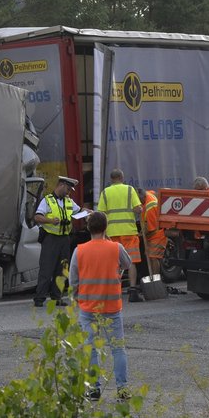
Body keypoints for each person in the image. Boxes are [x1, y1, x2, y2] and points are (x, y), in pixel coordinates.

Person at [70, 211, 132, 401]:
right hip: (112, 306)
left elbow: (74, 280)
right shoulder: (116, 247)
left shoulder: (79, 250)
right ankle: (122, 389)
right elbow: (127, 264)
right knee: (118, 349)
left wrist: (76, 297)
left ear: (88, 228)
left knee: (91, 349)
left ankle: (94, 389)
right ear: (106, 228)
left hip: (88, 307)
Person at [32, 176, 81, 307]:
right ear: (61, 185)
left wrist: (87, 212)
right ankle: (39, 298)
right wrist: (50, 220)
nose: (69, 192)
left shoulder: (68, 201)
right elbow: (37, 217)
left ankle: (57, 297)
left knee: (62, 269)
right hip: (51, 239)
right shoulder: (47, 201)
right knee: (46, 269)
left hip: (65, 239)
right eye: (68, 188)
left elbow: (79, 211)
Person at [96, 168, 144, 301]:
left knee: (114, 263)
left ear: (111, 180)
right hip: (129, 231)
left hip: (112, 233)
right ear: (122, 178)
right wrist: (140, 209)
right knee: (132, 261)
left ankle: (114, 290)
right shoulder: (129, 190)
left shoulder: (105, 192)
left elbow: (101, 213)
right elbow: (137, 208)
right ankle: (133, 291)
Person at [139, 188, 167, 278]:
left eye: (140, 200)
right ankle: (153, 277)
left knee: (153, 257)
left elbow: (150, 229)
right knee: (150, 257)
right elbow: (152, 192)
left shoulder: (150, 207)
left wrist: (140, 234)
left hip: (156, 235)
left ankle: (155, 278)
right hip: (153, 234)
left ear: (143, 197)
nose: (138, 203)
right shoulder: (147, 195)